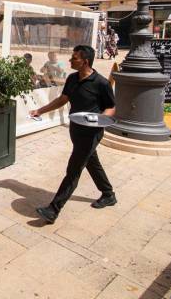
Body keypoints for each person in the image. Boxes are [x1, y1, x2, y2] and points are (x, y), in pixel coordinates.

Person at [29, 45, 116, 224]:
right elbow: (63, 100)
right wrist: (40, 110)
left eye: (74, 58)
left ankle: (53, 210)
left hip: (91, 133)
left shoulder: (101, 83)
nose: (70, 60)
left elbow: (111, 107)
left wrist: (101, 120)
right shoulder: (72, 78)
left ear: (85, 62)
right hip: (75, 129)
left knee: (73, 170)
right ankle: (108, 194)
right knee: (92, 162)